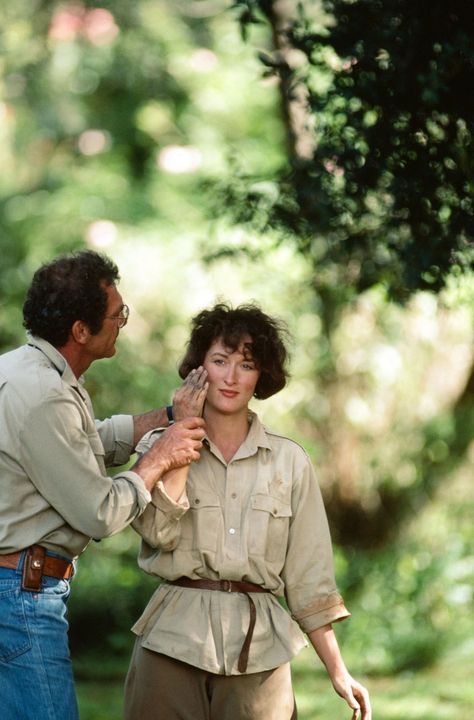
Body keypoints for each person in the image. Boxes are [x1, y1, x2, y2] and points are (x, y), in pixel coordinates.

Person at [124, 302, 371, 720]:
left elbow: (309, 577)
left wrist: (338, 670)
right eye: (220, 361)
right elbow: (157, 534)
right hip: (170, 641)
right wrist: (183, 440)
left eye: (247, 364)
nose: (231, 376)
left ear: (262, 376)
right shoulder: (159, 446)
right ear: (198, 367)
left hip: (259, 653)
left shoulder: (290, 461)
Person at [0, 249, 207, 720]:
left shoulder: (22, 370)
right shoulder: (46, 397)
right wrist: (161, 456)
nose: (122, 323)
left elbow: (85, 439)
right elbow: (100, 512)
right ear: (80, 331)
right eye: (118, 316)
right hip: (21, 598)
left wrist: (168, 418)